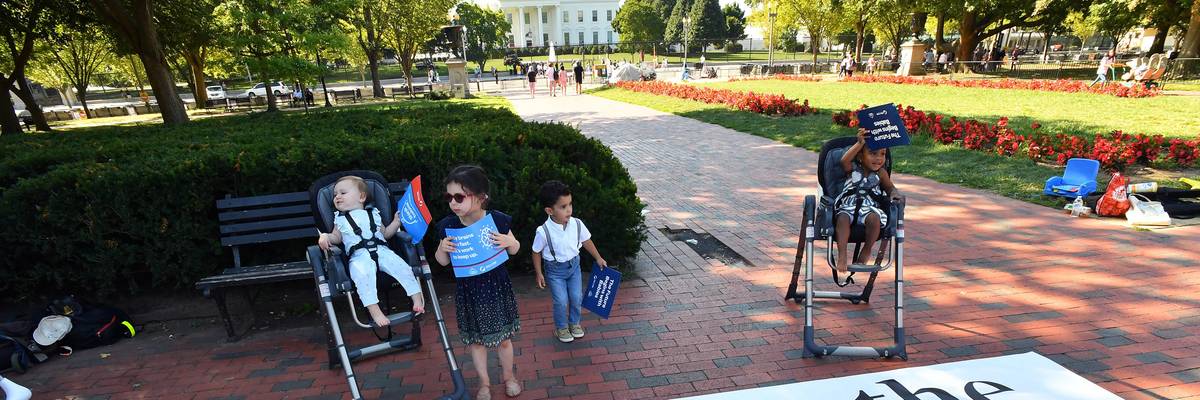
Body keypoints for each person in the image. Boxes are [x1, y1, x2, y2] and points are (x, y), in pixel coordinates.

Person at [433, 165, 522, 400]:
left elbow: (515, 248)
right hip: (469, 291)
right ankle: (484, 383)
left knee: (504, 340)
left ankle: (509, 377)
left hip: (496, 288)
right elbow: (441, 262)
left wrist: (507, 242)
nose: (453, 202)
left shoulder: (497, 221)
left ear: (481, 198)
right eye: (449, 197)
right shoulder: (448, 227)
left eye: (459, 197)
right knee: (477, 342)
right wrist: (442, 249)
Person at [318, 176, 425, 328]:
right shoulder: (339, 219)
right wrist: (324, 236)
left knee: (403, 268)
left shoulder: (374, 213)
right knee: (363, 276)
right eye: (335, 195)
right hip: (359, 255)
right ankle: (374, 310)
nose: (337, 197)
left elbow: (386, 233)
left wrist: (396, 222)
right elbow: (336, 237)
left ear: (361, 197)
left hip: (382, 250)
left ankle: (417, 297)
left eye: (343, 193)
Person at [531, 181, 607, 343]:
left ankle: (574, 323)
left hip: (574, 267)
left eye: (570, 204)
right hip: (554, 271)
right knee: (561, 300)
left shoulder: (577, 224)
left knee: (576, 296)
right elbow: (536, 251)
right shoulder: (543, 231)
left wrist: (598, 257)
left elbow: (587, 241)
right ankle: (561, 327)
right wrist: (539, 273)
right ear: (549, 210)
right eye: (563, 207)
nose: (569, 210)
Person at [833, 129, 901, 281]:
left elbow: (889, 187)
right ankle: (842, 254)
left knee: (874, 220)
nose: (878, 158)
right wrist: (860, 143)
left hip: (869, 207)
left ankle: (866, 250)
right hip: (848, 205)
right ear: (860, 156)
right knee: (842, 219)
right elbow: (844, 160)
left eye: (882, 154)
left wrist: (894, 193)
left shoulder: (881, 173)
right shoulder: (852, 168)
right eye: (873, 153)